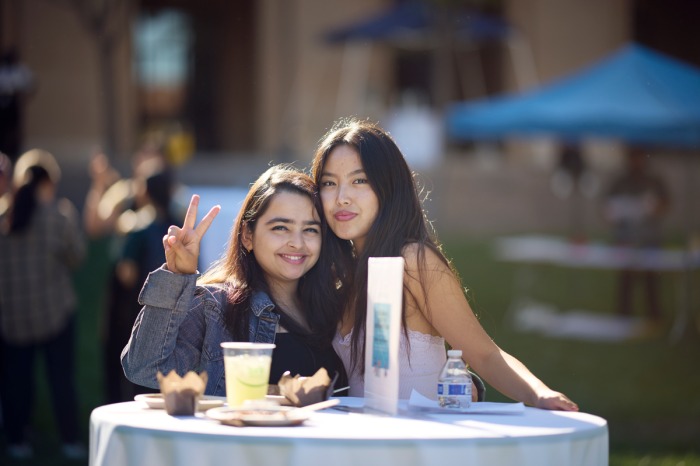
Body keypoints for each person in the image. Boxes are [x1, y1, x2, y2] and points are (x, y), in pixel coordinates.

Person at [311, 118, 578, 410]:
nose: (342, 198)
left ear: (387, 187)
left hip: (425, 445)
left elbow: (484, 354)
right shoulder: (341, 276)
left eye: (359, 180)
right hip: (365, 446)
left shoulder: (413, 261)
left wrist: (537, 394)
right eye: (329, 183)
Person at [121, 165, 347, 395]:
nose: (297, 243)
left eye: (310, 230)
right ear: (247, 235)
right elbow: (143, 368)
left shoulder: (339, 308)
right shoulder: (216, 307)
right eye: (281, 228)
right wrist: (176, 276)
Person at [0, 149, 86, 459]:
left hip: (13, 318)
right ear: (47, 183)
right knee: (61, 380)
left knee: (17, 381)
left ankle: (17, 440)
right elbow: (77, 257)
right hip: (55, 313)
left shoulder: (3, 217)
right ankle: (70, 441)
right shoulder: (58, 216)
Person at [603, 146, 670, 322]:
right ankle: (623, 316)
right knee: (626, 280)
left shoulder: (654, 181)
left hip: (649, 237)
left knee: (651, 278)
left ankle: (654, 316)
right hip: (626, 237)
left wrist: (652, 208)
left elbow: (665, 205)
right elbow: (608, 210)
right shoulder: (620, 182)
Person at [0, 49, 36, 161]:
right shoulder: (2, 69)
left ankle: (14, 153)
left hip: (14, 103)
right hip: (2, 103)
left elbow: (31, 84)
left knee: (14, 131)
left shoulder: (20, 70)